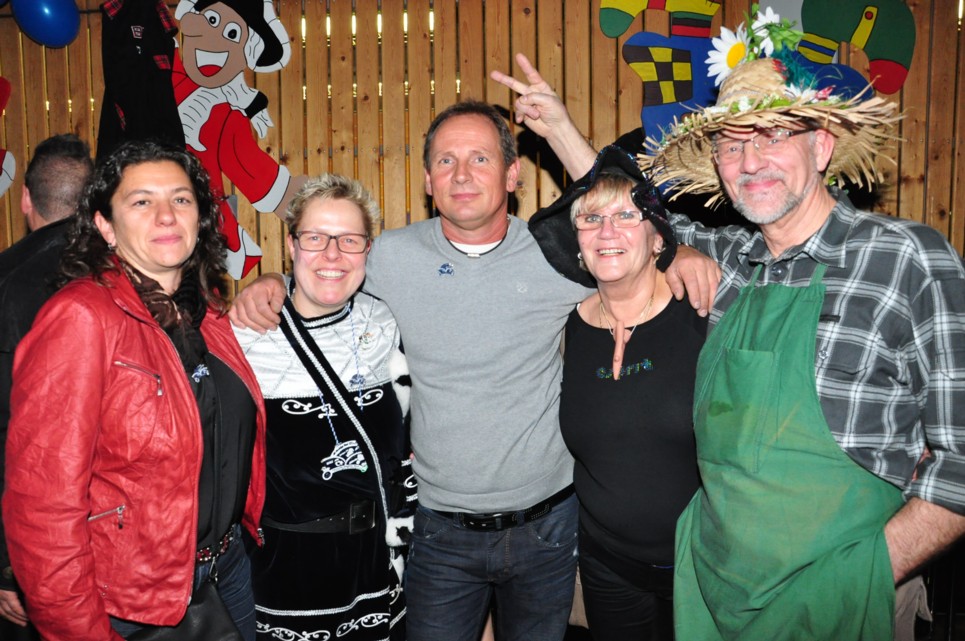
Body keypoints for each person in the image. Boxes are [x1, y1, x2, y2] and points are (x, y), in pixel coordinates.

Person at [495, 44, 965, 640]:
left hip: (856, 593)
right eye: (732, 146)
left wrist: (866, 573)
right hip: (722, 594)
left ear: (821, 146)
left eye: (774, 136)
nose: (751, 161)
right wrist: (560, 130)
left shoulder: (906, 258)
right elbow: (625, 215)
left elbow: (959, 464)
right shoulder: (728, 261)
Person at [231, 100, 719, 641]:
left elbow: (619, 223)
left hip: (549, 527)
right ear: (427, 180)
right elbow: (327, 268)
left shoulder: (559, 256)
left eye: (480, 159)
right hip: (438, 531)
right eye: (446, 161)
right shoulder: (388, 256)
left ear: (512, 175)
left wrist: (676, 252)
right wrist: (269, 283)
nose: (461, 174)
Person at [2, 140, 267, 641]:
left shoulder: (206, 313)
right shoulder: (80, 318)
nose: (166, 215)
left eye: (181, 199)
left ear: (200, 218)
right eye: (141, 201)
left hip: (228, 572)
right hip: (129, 602)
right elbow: (42, 509)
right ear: (105, 225)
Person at [536, 146, 706, 640]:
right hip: (607, 566)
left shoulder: (703, 311)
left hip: (703, 566)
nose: (606, 231)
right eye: (591, 219)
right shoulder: (565, 326)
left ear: (659, 239)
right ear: (578, 242)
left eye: (627, 216)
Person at [233, 174, 413, 640]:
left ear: (367, 250)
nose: (332, 255)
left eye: (349, 240)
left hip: (377, 556)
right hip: (287, 563)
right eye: (315, 238)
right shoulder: (243, 335)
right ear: (291, 245)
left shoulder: (383, 320)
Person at [0, 134, 93, 639]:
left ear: (25, 200)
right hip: (116, 533)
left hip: (31, 540)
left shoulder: (5, 281)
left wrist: (5, 564)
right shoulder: (130, 274)